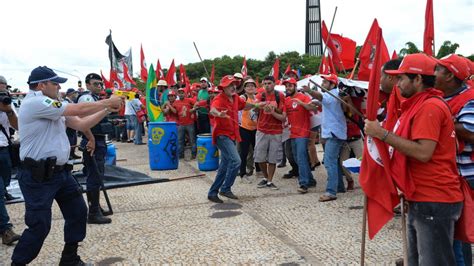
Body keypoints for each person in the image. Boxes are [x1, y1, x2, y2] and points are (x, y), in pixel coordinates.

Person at [11, 66, 122, 265]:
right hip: (38, 176)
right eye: (55, 83)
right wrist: (107, 101)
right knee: (39, 226)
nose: (59, 87)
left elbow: (80, 124)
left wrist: (106, 109)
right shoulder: (36, 101)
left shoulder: (51, 104)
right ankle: (18, 262)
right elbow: (77, 109)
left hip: (60, 174)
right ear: (41, 85)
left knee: (78, 212)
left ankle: (70, 258)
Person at [365, 53, 463, 265]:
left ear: (418, 80)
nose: (397, 83)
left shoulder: (430, 107)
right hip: (421, 195)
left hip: (434, 198)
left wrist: (382, 135)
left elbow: (423, 152)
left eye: (401, 78)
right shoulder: (418, 104)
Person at [434, 53, 473, 266]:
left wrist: (438, 122)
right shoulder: (440, 96)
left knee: (458, 235)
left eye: (438, 70)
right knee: (456, 235)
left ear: (449, 75)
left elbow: (469, 130)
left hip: (466, 175)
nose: (433, 74)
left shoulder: (470, 97)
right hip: (450, 174)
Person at [208, 75, 259, 203]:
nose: (233, 87)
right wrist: (219, 114)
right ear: (223, 87)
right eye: (230, 85)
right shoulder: (219, 99)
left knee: (224, 166)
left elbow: (245, 106)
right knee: (236, 161)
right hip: (222, 135)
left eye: (234, 85)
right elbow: (213, 110)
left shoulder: (236, 98)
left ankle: (213, 192)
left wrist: (258, 105)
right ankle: (225, 188)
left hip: (231, 135)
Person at [77, 73, 114, 224]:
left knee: (97, 175)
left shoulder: (96, 99)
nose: (99, 86)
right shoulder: (86, 98)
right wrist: (91, 138)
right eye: (95, 84)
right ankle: (93, 213)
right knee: (94, 175)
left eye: (100, 84)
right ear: (87, 85)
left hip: (98, 140)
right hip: (92, 141)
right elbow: (83, 120)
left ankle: (96, 207)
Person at [304, 74, 347, 201]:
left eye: (325, 82)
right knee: (334, 161)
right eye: (322, 82)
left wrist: (310, 91)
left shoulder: (332, 94)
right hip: (333, 132)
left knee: (329, 162)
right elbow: (318, 100)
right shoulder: (333, 94)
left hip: (334, 133)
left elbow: (321, 96)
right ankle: (339, 186)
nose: (322, 84)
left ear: (332, 84)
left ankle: (331, 192)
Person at [283, 78, 318, 193]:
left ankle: (303, 184)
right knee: (297, 158)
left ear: (295, 86)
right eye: (286, 86)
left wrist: (301, 103)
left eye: (290, 86)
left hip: (303, 133)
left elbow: (313, 107)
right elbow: (283, 115)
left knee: (302, 158)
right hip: (292, 133)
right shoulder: (286, 100)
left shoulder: (303, 97)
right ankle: (311, 180)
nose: (287, 88)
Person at [255, 76, 286, 190]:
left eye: (269, 83)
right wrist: (259, 106)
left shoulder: (280, 96)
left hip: (276, 131)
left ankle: (269, 181)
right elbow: (254, 108)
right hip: (262, 129)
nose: (267, 85)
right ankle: (266, 177)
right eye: (265, 83)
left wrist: (273, 111)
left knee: (273, 158)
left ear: (274, 84)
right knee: (259, 157)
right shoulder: (260, 95)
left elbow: (283, 115)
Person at [0, 75, 20, 245]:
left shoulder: (7, 102)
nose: (4, 89)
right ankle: (6, 229)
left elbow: (16, 125)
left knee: (4, 182)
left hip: (4, 148)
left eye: (5, 86)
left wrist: (7, 109)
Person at [238, 79, 260, 183]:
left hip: (255, 128)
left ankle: (259, 171)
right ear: (244, 88)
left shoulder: (258, 98)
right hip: (244, 128)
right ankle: (242, 174)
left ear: (256, 88)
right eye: (248, 86)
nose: (250, 87)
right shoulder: (243, 97)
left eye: (252, 85)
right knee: (244, 152)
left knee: (257, 151)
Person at [171, 88, 197, 159]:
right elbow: (174, 111)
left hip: (190, 123)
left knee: (192, 140)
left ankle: (194, 154)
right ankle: (180, 155)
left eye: (182, 92)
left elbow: (197, 103)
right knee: (180, 140)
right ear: (178, 94)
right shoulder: (176, 102)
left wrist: (193, 109)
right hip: (181, 124)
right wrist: (168, 105)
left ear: (185, 94)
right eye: (179, 93)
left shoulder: (189, 100)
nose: (181, 94)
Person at [63, 88, 81, 159]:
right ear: (70, 94)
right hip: (69, 124)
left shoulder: (72, 101)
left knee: (74, 139)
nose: (75, 94)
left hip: (73, 124)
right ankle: (69, 154)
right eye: (74, 93)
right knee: (69, 140)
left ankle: (73, 153)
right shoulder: (65, 102)